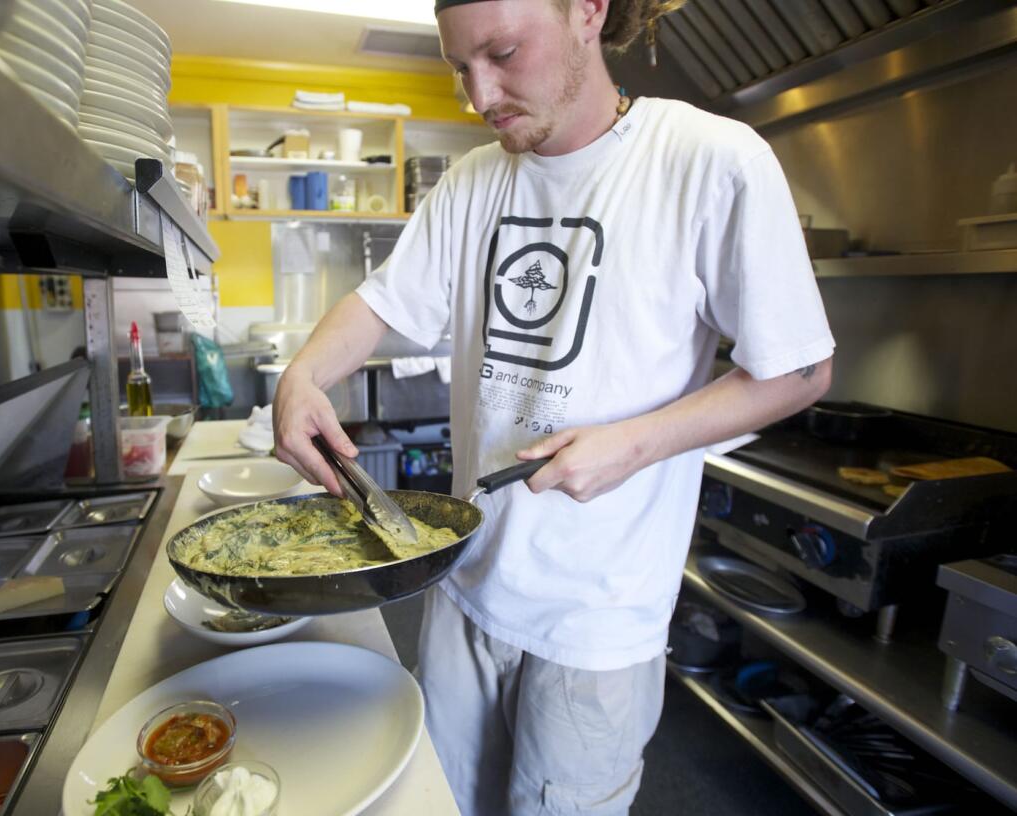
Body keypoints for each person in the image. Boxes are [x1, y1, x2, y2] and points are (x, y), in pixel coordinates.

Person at [273, 0, 836, 812]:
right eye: (460, 66)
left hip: (595, 626)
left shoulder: (708, 159)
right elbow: (378, 307)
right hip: (465, 590)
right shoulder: (472, 182)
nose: (480, 93)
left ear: (587, 11)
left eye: (502, 51)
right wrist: (303, 376)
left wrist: (631, 444)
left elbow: (800, 369)